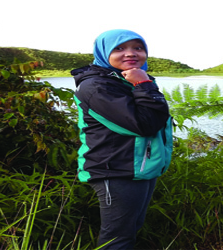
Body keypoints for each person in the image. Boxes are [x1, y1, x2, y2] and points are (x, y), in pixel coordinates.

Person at [71, 29, 173, 249]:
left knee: (132, 228)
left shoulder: (123, 80)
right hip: (115, 169)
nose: (131, 53)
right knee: (117, 239)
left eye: (138, 47)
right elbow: (144, 125)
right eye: (119, 48)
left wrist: (141, 83)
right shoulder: (96, 86)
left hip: (138, 167)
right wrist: (144, 85)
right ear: (103, 52)